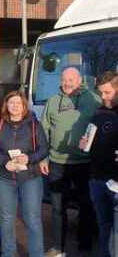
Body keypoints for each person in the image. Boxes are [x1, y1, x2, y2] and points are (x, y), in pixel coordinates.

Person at [40, 67, 101, 256]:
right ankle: (58, 246)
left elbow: (103, 127)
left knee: (86, 204)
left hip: (84, 163)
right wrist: (43, 157)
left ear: (79, 80)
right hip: (57, 163)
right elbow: (44, 130)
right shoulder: (52, 101)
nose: (67, 83)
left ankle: (85, 243)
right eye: (64, 79)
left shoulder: (93, 99)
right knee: (58, 207)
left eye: (71, 79)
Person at [0, 91, 48, 257]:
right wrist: (4, 161)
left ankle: (37, 254)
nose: (15, 106)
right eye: (11, 103)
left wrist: (29, 158)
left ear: (24, 106)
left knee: (33, 219)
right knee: (6, 220)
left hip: (30, 178)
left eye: (18, 103)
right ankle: (8, 253)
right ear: (6, 105)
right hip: (4, 178)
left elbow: (44, 149)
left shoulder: (34, 124)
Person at [79, 71, 118, 257]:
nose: (103, 97)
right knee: (104, 226)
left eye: (107, 92)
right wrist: (84, 144)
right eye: (101, 92)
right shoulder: (99, 112)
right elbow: (90, 143)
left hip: (116, 183)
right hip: (96, 179)